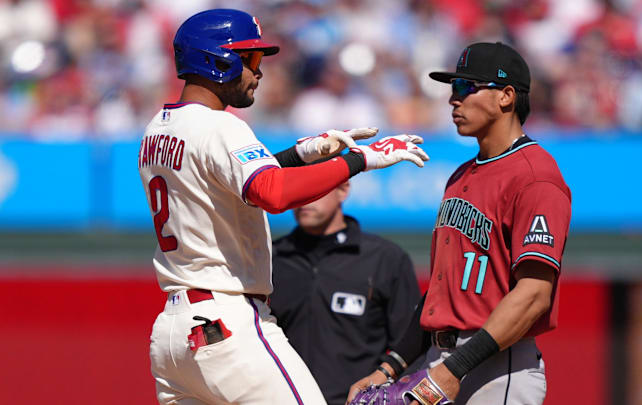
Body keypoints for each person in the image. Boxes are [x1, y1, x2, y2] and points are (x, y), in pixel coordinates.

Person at [138, 9, 429, 405]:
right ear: (216, 59)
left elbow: (226, 179)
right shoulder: (221, 125)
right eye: (250, 58)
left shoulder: (158, 128)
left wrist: (297, 154)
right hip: (228, 323)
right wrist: (360, 160)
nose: (257, 72)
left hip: (173, 333)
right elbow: (272, 194)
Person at [347, 42, 572, 405]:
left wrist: (454, 369)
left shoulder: (536, 176)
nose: (455, 99)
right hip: (439, 359)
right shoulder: (460, 176)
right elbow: (443, 289)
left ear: (507, 97)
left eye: (468, 87)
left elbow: (534, 294)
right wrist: (389, 367)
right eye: (453, 89)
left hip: (497, 366)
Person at [270, 181, 422, 405]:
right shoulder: (268, 260)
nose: (304, 199)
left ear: (343, 190)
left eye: (314, 188)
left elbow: (410, 347)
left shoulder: (386, 259)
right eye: (297, 188)